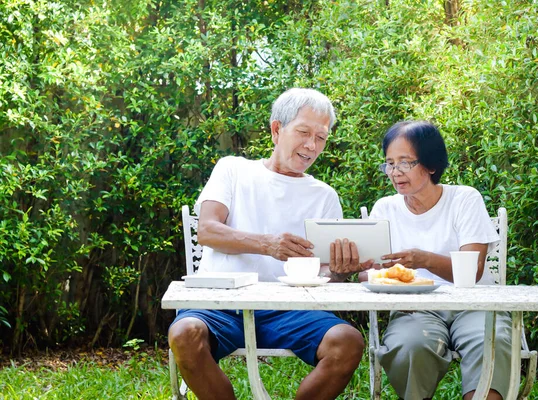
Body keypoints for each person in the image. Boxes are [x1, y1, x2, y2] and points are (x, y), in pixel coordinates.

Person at [168, 88, 367, 400]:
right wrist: (268, 244)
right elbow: (206, 230)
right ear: (277, 129)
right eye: (303, 132)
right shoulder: (233, 169)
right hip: (220, 302)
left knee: (348, 341)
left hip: (289, 309)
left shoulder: (325, 196)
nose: (312, 146)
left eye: (321, 137)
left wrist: (342, 271)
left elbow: (326, 275)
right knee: (183, 334)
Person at [355, 120, 512, 400]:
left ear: (430, 164)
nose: (395, 172)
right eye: (389, 164)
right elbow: (368, 275)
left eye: (405, 163)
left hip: (473, 304)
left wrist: (422, 259)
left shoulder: (464, 199)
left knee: (492, 341)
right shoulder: (385, 208)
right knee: (408, 344)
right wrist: (368, 271)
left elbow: (473, 271)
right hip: (414, 308)